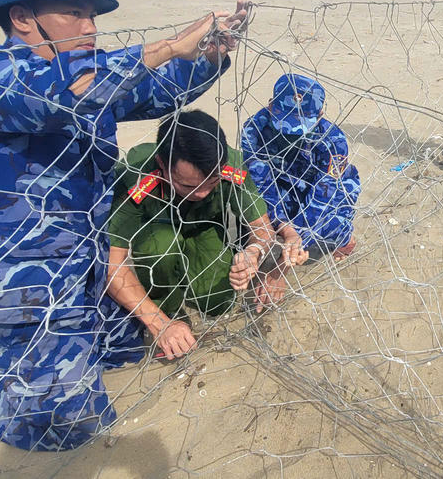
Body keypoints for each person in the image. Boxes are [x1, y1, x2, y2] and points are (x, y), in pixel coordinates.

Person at [0, 0, 247, 449]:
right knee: (66, 427)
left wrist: (211, 53)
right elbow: (58, 98)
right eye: (74, 12)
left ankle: (14, 362)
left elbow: (157, 92)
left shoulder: (93, 80)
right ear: (21, 17)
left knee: (124, 353)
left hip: (91, 260)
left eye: (93, 14)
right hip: (25, 276)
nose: (90, 25)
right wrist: (165, 46)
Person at [106, 110, 306, 361]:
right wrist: (159, 323)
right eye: (188, 185)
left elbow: (262, 229)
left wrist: (254, 252)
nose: (200, 194)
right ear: (162, 165)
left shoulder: (231, 164)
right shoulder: (135, 178)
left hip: (204, 228)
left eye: (210, 183)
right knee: (161, 250)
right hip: (157, 236)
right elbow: (112, 264)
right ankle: (171, 313)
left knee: (218, 302)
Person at [242, 74, 361, 260]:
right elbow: (260, 185)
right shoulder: (254, 130)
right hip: (281, 186)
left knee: (331, 225)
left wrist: (291, 249)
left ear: (320, 115)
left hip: (320, 189)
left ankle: (345, 239)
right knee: (251, 210)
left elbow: (323, 198)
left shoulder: (333, 141)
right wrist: (284, 228)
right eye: (285, 121)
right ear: (271, 105)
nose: (292, 132)